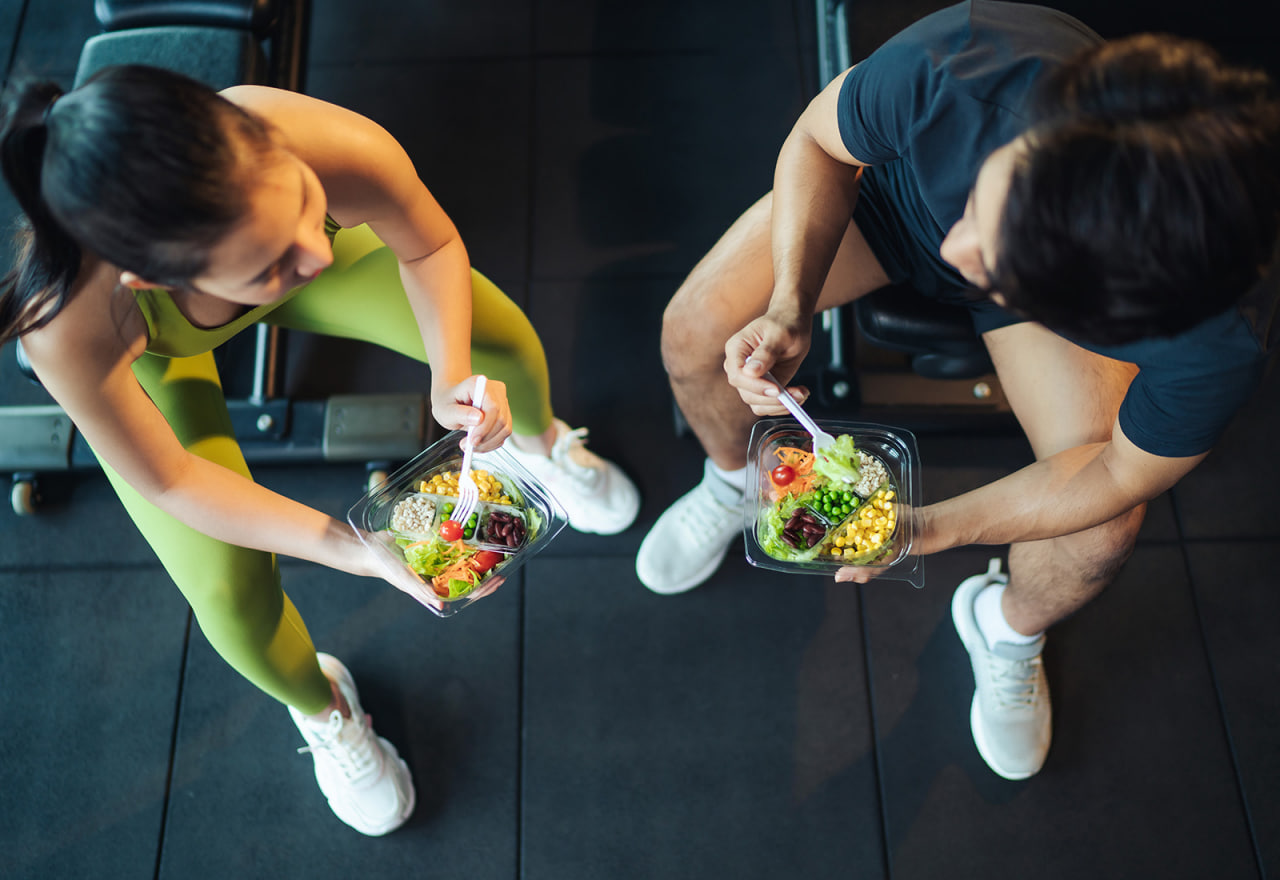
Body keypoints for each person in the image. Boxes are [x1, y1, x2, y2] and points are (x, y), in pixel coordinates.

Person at [636, 0, 1280, 781]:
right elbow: (818, 141)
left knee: (1103, 534)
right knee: (693, 328)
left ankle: (1004, 626)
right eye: (986, 199)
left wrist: (934, 528)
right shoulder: (969, 63)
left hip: (1045, 317)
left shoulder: (1212, 339)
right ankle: (736, 479)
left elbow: (1118, 470)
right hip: (893, 201)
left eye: (995, 253)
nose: (957, 247)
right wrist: (790, 303)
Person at [0, 64, 640, 835]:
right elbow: (171, 481)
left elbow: (429, 243)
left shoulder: (321, 148)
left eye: (306, 206)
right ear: (149, 277)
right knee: (232, 596)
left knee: (498, 338)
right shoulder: (68, 323)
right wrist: (359, 550)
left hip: (235, 263)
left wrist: (451, 379)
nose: (318, 252)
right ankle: (325, 707)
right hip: (161, 357)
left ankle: (542, 445)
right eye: (270, 262)